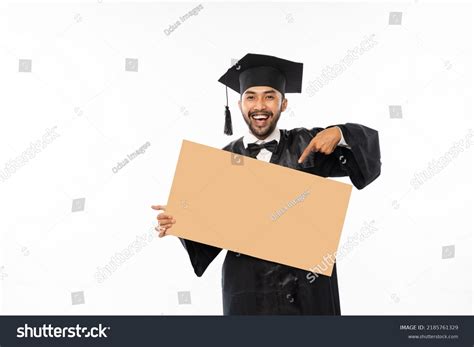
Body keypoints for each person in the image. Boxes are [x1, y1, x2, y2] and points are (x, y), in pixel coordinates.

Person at [151, 53, 381, 315]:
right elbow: (210, 235)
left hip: (307, 284)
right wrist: (181, 222)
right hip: (249, 285)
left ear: (283, 104)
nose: (259, 105)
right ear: (239, 104)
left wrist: (340, 133)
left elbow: (367, 162)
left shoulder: (308, 143)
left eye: (269, 96)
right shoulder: (221, 162)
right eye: (251, 97)